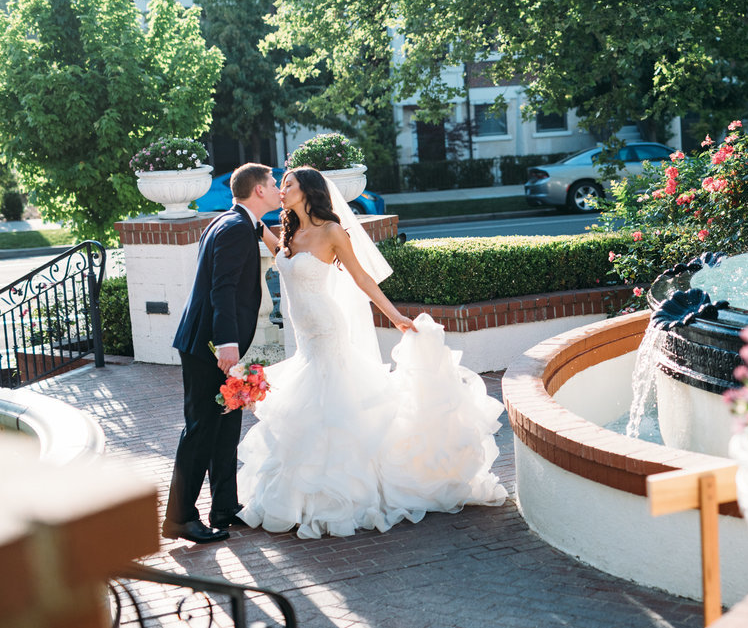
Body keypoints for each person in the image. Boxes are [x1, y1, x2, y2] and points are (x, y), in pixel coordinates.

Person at [236, 166, 507, 539]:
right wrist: (254, 223)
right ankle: (305, 492)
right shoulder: (290, 232)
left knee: (330, 406)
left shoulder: (331, 231)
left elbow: (361, 277)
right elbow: (281, 254)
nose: (282, 190)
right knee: (309, 407)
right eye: (280, 185)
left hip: (328, 330)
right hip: (305, 337)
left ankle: (342, 493)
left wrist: (394, 316)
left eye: (289, 184)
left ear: (309, 190)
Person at [163, 163, 281, 544]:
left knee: (226, 425)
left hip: (218, 344)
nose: (278, 188)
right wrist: (228, 342)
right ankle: (180, 517)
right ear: (259, 191)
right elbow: (222, 288)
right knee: (200, 430)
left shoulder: (232, 222)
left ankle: (224, 508)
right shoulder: (233, 228)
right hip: (209, 346)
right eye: (274, 183)